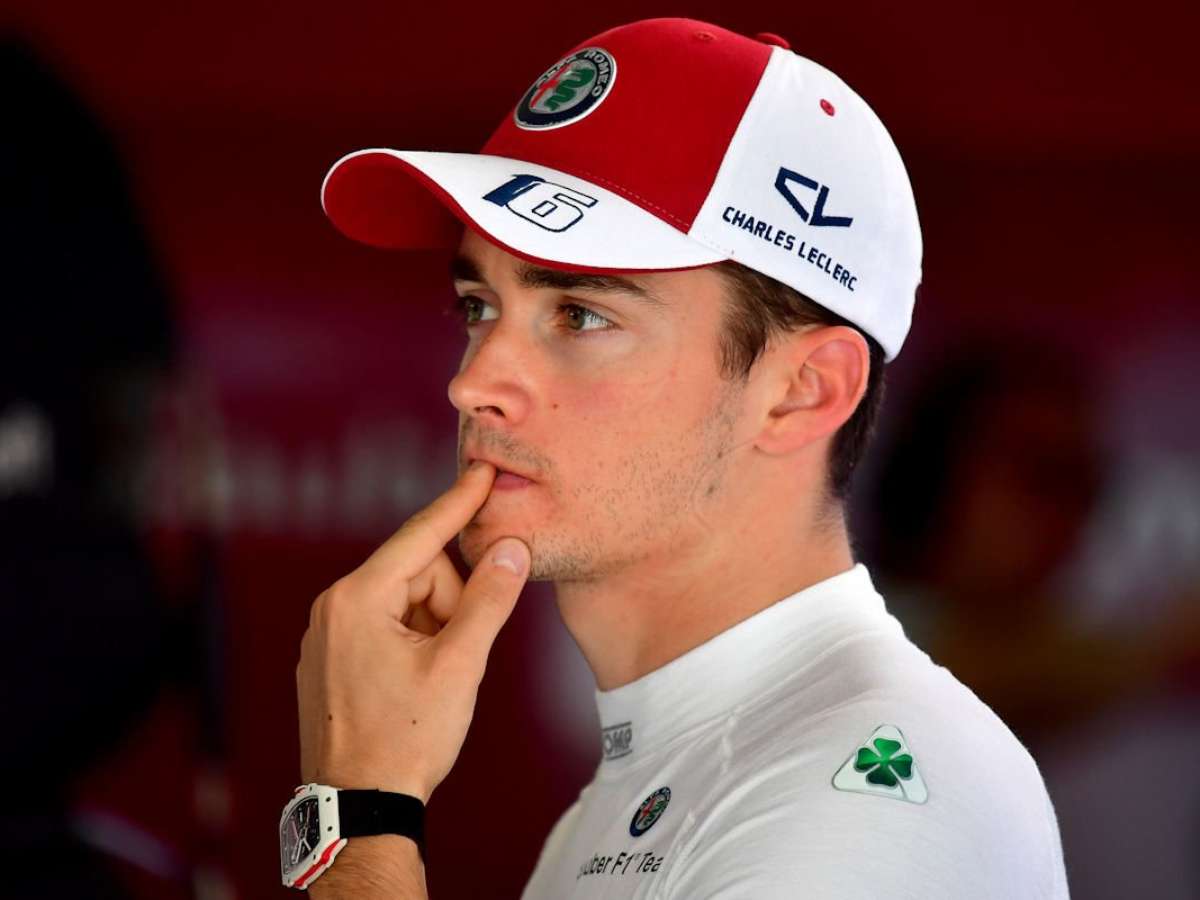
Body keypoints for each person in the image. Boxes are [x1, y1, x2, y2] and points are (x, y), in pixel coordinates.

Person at [288, 17, 1070, 898]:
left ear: (803, 390)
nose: (473, 384)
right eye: (479, 306)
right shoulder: (664, 781)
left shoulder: (874, 802)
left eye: (580, 315)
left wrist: (362, 812)